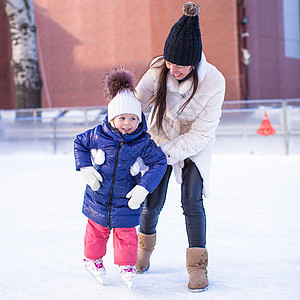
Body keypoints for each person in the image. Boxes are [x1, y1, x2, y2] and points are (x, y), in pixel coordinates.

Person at [134, 2, 226, 292]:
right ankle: (143, 251)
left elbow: (202, 133)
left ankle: (197, 266)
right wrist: (117, 124)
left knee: (191, 201)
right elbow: (136, 104)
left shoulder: (214, 81)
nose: (174, 69)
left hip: (195, 144)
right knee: (151, 201)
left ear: (195, 60)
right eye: (171, 62)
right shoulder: (159, 70)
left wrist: (166, 154)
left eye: (181, 64)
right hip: (160, 136)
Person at [74, 69, 167, 289]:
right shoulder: (98, 134)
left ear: (139, 119)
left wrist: (143, 188)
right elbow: (79, 143)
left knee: (126, 234)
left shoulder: (143, 142)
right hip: (98, 196)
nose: (127, 123)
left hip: (126, 199)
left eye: (133, 118)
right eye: (122, 117)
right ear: (112, 117)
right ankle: (92, 260)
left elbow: (159, 162)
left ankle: (127, 266)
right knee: (96, 231)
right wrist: (86, 168)